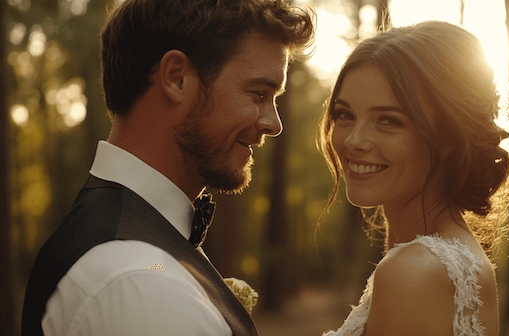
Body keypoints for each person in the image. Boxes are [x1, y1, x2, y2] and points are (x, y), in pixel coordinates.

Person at [21, 0, 314, 335]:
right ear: (176, 78)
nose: (273, 124)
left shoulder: (143, 250)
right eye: (259, 93)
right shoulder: (141, 283)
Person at [319, 21, 509, 336]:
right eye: (345, 115)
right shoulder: (456, 260)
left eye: (388, 121)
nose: (353, 140)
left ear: (449, 136)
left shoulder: (413, 271)